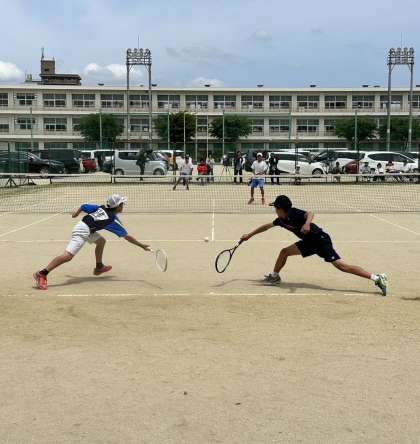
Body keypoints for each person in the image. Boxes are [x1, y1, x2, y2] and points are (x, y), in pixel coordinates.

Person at [240, 195, 388, 296]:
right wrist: (249, 235)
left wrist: (307, 224)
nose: (275, 210)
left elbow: (310, 213)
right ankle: (275, 276)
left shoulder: (294, 213)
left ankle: (377, 278)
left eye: (276, 208)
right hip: (308, 243)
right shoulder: (281, 220)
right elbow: (266, 227)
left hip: (320, 240)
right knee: (284, 252)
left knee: (342, 266)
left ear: (281, 209)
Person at [33, 195, 151, 290]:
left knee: (101, 241)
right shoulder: (112, 220)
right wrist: (141, 246)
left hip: (87, 227)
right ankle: (42, 273)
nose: (123, 205)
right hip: (83, 230)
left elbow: (84, 206)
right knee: (68, 256)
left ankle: (99, 267)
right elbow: (127, 236)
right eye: (122, 204)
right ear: (117, 207)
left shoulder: (101, 207)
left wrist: (76, 214)